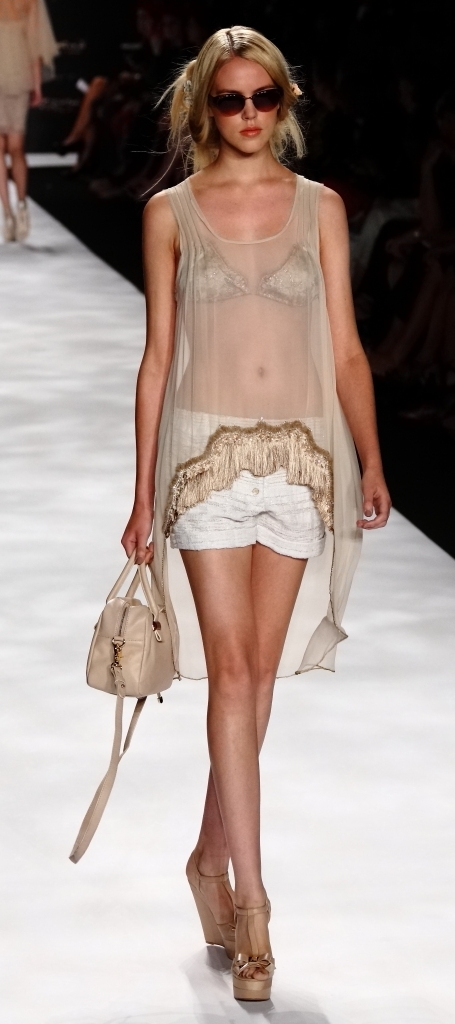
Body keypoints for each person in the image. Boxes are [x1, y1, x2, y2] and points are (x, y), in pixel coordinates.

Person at [121, 26, 391, 1003]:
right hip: (203, 459)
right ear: (206, 106)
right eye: (229, 99)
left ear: (284, 103)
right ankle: (253, 906)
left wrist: (368, 458)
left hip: (300, 460)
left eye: (261, 98)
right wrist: (140, 490)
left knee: (257, 679)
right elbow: (157, 357)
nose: (246, 115)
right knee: (232, 673)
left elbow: (346, 347)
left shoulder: (320, 206)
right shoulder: (169, 213)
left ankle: (206, 854)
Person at [0, 0, 57, 242]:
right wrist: (37, 86)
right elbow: (35, 43)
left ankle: (7, 214)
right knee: (16, 147)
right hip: (19, 74)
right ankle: (22, 207)